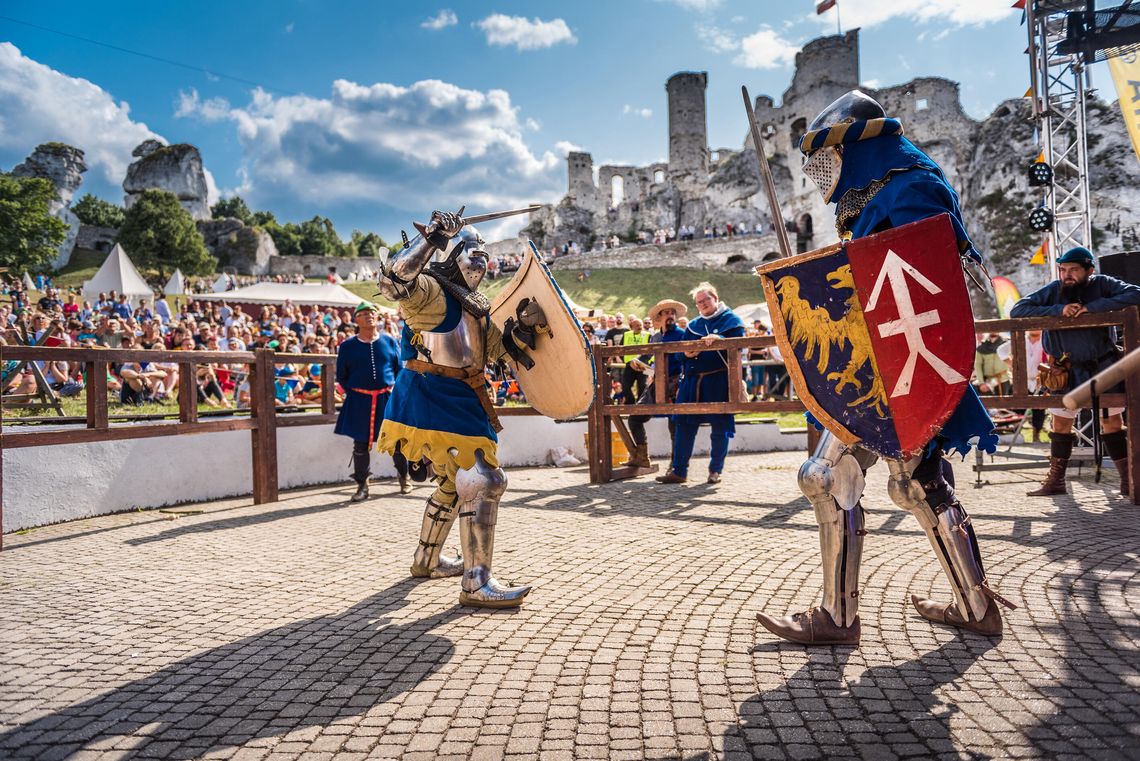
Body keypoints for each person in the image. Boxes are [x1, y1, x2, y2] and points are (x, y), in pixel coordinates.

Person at [757, 90, 1012, 645]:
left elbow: (925, 285)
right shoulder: (877, 197)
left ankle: (838, 617)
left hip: (904, 366)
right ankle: (974, 607)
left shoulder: (910, 187)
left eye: (826, 155)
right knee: (918, 485)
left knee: (831, 476)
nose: (817, 170)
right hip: (880, 366)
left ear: (860, 148)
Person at [376, 210, 543, 609]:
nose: (482, 259)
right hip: (431, 393)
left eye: (485, 254)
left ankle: (426, 561)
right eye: (472, 251)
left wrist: (524, 325)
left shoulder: (475, 305)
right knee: (484, 478)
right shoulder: (430, 292)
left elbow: (499, 352)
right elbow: (394, 282)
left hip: (463, 396)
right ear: (450, 255)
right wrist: (433, 236)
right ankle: (476, 582)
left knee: (455, 485)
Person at [1010, 246, 1140, 496]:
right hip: (1064, 371)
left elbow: (1136, 294)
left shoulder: (1102, 284)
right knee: (1060, 423)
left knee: (1112, 422)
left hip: (1102, 367)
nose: (1067, 275)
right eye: (1063, 270)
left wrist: (1094, 307)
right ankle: (1056, 481)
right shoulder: (1054, 291)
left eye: (1073, 270)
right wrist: (1058, 310)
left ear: (1089, 270)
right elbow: (1018, 309)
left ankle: (1127, 480)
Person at [656, 283, 744, 485]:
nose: (703, 304)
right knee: (684, 425)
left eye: (706, 300)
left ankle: (715, 471)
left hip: (718, 380)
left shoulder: (731, 320)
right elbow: (680, 353)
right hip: (693, 381)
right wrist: (686, 353)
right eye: (699, 302)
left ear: (715, 298)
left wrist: (720, 339)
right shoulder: (693, 325)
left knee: (719, 426)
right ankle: (679, 471)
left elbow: (739, 343)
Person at [335, 302, 409, 501]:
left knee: (396, 442)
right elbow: (341, 376)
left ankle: (404, 477)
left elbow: (399, 370)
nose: (369, 316)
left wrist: (394, 391)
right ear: (356, 319)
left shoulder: (390, 341)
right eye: (364, 313)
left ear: (377, 318)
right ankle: (362, 486)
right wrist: (358, 392)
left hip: (386, 398)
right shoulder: (347, 346)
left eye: (372, 313)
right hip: (359, 401)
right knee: (360, 445)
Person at [624, 299, 688, 469]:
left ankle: (676, 465)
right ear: (660, 317)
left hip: (676, 382)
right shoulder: (656, 336)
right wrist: (637, 361)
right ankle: (642, 457)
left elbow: (687, 359)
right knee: (635, 418)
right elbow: (646, 356)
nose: (670, 315)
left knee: (674, 423)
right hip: (657, 381)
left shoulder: (682, 334)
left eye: (672, 312)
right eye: (666, 312)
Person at [619, 317, 650, 405]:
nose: (639, 327)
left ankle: (640, 405)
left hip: (643, 365)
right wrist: (622, 359)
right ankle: (630, 403)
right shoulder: (626, 335)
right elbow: (620, 348)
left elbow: (651, 350)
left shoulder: (648, 335)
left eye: (640, 325)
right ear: (631, 326)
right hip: (629, 365)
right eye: (637, 325)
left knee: (643, 386)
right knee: (625, 386)